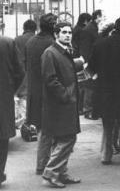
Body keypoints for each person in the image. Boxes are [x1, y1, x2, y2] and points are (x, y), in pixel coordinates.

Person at [40, 22, 84, 188]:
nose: (68, 35)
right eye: (64, 32)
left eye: (69, 32)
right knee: (67, 138)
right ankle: (51, 172)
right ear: (56, 34)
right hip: (59, 104)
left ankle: (61, 173)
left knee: (62, 139)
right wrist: (65, 95)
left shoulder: (63, 51)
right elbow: (50, 80)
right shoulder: (50, 53)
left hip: (65, 103)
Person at [89, 15, 120, 165]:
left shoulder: (99, 44)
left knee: (107, 123)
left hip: (104, 89)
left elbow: (91, 68)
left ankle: (105, 155)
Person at [25, 13, 57, 176]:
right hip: (47, 92)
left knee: (41, 129)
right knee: (47, 131)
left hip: (34, 91)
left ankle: (44, 162)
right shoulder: (51, 44)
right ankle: (44, 164)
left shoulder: (31, 42)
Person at [0, 31, 25, 187]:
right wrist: (10, 89)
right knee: (2, 138)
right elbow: (20, 72)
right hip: (3, 97)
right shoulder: (8, 43)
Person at [78, 9, 104, 119]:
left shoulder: (92, 27)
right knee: (89, 86)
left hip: (91, 60)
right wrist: (87, 63)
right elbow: (85, 47)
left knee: (90, 86)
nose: (104, 18)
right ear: (97, 16)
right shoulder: (89, 29)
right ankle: (87, 110)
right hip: (89, 61)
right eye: (103, 16)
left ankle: (89, 109)